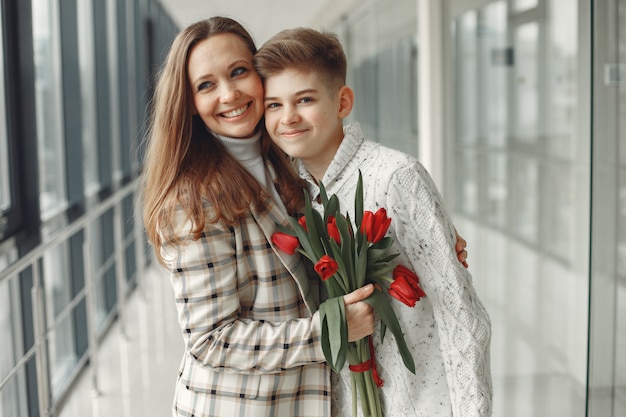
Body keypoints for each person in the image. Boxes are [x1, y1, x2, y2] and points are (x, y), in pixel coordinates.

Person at [140, 17, 378, 417]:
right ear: (191, 105)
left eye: (238, 72)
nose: (230, 93)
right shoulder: (194, 199)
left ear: (259, 74)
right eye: (206, 85)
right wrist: (330, 330)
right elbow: (211, 339)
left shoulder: (282, 162)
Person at [255, 27, 492, 416]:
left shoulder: (396, 176)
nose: (289, 117)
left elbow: (460, 312)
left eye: (305, 99)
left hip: (422, 404)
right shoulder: (290, 194)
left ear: (343, 101)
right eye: (274, 105)